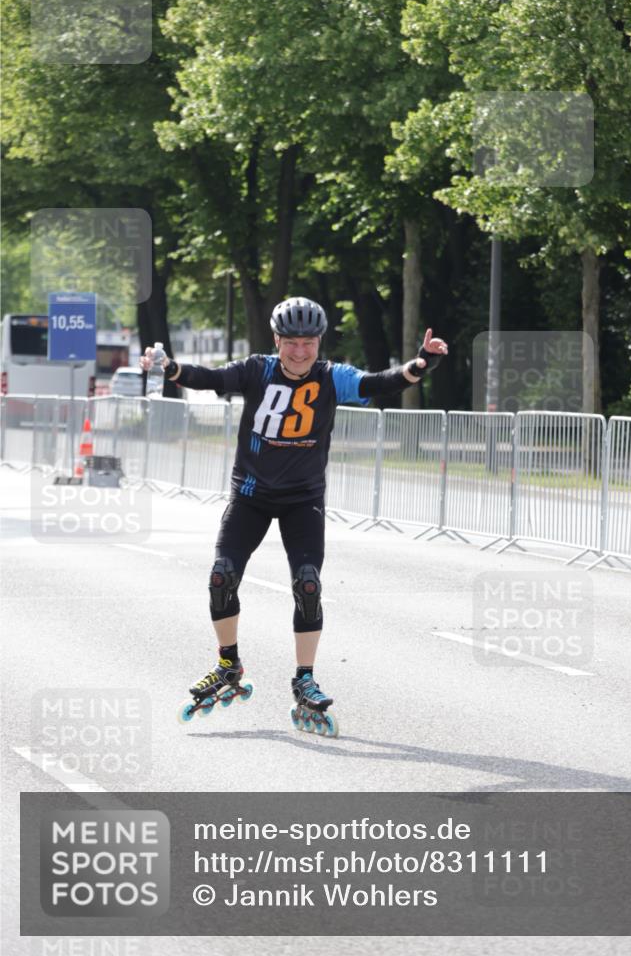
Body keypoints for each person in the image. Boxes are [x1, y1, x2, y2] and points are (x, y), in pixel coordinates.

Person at [141, 297, 447, 735]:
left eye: (308, 343)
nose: (300, 352)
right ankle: (228, 666)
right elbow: (209, 378)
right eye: (291, 343)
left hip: (303, 498)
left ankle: (305, 679)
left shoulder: (331, 377)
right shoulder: (256, 369)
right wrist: (170, 368)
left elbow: (380, 383)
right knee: (221, 577)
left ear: (319, 342)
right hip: (250, 495)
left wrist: (422, 363)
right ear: (277, 341)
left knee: (307, 583)